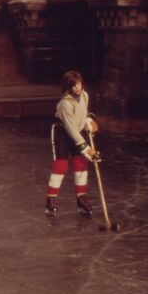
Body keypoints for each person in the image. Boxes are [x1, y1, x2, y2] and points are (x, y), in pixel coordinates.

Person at [44, 70, 98, 218]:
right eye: (73, 86)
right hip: (62, 132)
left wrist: (89, 121)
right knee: (61, 166)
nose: (77, 88)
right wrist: (86, 148)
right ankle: (51, 199)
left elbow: (83, 114)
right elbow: (70, 128)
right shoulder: (64, 104)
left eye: (79, 84)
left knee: (81, 163)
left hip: (76, 131)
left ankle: (81, 198)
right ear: (68, 87)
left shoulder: (85, 96)